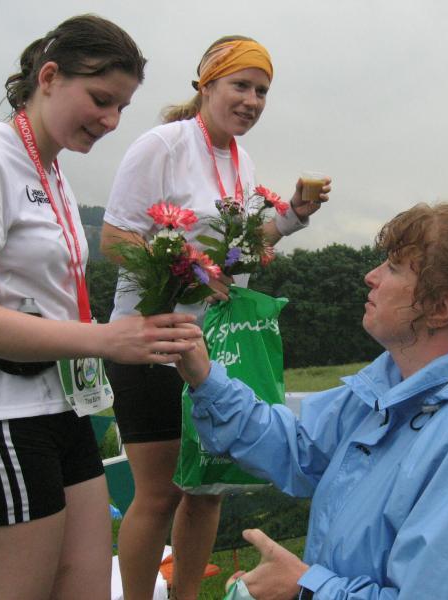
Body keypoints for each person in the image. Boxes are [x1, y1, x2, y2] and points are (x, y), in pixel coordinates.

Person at [0, 15, 203, 600]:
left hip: (65, 411)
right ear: (48, 77)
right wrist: (107, 339)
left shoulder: (52, 172)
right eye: (100, 99)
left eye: (122, 107)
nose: (111, 120)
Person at [174, 202, 448, 599]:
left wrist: (303, 589)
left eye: (394, 267)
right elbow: (299, 448)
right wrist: (206, 378)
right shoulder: (390, 392)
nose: (371, 276)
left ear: (440, 309)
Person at [100, 35, 331, 600]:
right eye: (240, 85)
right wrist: (192, 272)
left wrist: (293, 217)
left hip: (213, 349)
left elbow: (239, 253)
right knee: (159, 494)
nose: (252, 100)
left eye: (262, 91)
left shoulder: (241, 160)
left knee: (207, 491)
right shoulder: (162, 144)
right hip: (150, 340)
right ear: (206, 85)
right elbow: (114, 239)